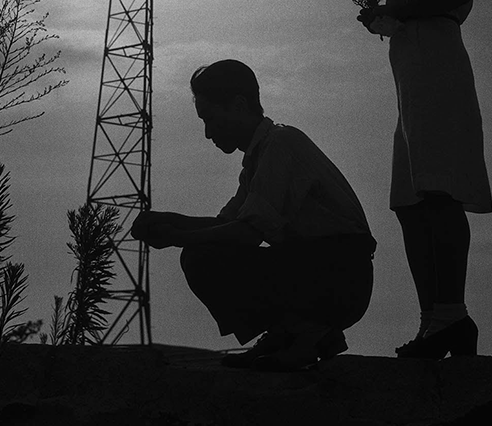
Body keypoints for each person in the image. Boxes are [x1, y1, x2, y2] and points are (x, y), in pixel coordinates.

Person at [131, 59, 376, 372]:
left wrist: (177, 238)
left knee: (201, 258)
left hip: (339, 277)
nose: (207, 133)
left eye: (210, 118)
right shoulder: (258, 160)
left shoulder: (281, 145)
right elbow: (227, 225)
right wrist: (170, 219)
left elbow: (247, 234)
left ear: (237, 105)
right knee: (203, 251)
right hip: (321, 271)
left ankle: (305, 332)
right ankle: (297, 332)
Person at [357, 0, 492, 359]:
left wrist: (400, 8)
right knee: (411, 201)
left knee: (436, 194)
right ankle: (435, 319)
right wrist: (386, 18)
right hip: (414, 82)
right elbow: (421, 6)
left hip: (437, 75)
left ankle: (451, 316)